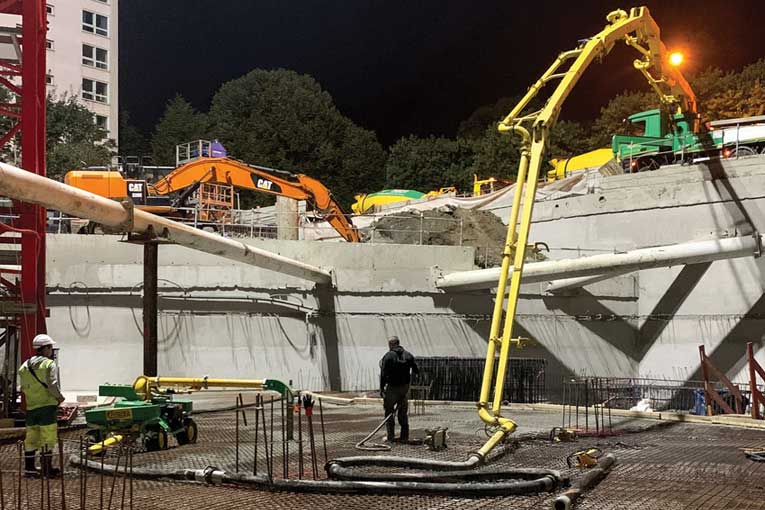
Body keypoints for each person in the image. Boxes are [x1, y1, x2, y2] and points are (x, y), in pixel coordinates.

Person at [18, 334, 65, 477]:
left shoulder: (24, 366)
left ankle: (30, 469)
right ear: (46, 348)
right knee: (48, 437)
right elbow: (52, 384)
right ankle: (47, 469)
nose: (51, 351)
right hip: (47, 408)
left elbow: (23, 388)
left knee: (31, 438)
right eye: (50, 347)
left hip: (32, 408)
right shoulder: (49, 364)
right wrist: (59, 397)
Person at [379, 336, 419, 442]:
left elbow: (383, 374)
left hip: (392, 389)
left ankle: (390, 437)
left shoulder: (388, 356)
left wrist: (382, 389)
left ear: (391, 344)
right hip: (404, 389)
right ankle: (404, 437)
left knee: (389, 412)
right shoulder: (408, 355)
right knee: (402, 413)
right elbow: (416, 370)